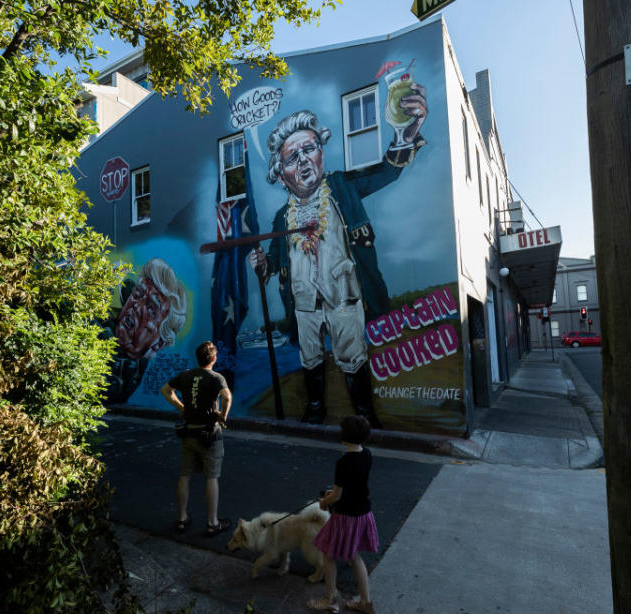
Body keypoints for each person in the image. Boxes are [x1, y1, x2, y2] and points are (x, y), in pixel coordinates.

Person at [249, 94, 427, 427]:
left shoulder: (343, 188)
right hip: (303, 300)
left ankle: (364, 414)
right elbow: (273, 263)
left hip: (344, 291)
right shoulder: (279, 219)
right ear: (281, 172)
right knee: (310, 355)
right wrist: (262, 265)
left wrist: (409, 129)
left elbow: (386, 173)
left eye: (310, 149)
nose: (303, 161)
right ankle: (315, 409)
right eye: (292, 157)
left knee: (352, 354)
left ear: (320, 152)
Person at [307, 415, 380, 614]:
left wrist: (324, 502)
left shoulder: (344, 462)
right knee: (354, 556)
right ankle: (365, 602)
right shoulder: (367, 454)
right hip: (363, 513)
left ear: (345, 436)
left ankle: (330, 599)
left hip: (345, 516)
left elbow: (337, 495)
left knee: (328, 554)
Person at [161, 341, 233, 537]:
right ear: (214, 358)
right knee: (212, 477)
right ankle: (212, 523)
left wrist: (182, 407)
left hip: (189, 433)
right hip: (209, 434)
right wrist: (224, 416)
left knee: (185, 475)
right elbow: (227, 396)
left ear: (198, 357)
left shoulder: (186, 375)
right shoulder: (216, 377)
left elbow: (166, 390)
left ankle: (182, 518)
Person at [105, 258, 188, 403]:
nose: (136, 307)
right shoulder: (97, 330)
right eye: (138, 293)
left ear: (159, 343)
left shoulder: (129, 373)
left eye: (151, 309)